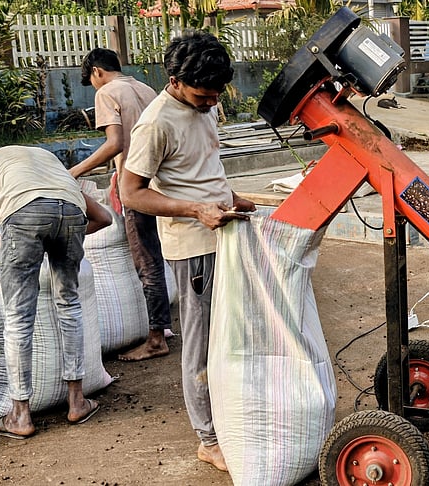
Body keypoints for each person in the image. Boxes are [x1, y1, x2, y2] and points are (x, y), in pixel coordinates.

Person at [119, 30, 256, 472]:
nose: (211, 102)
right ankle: (208, 438)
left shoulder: (205, 106)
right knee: (200, 343)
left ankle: (231, 417)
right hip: (194, 248)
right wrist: (195, 209)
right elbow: (131, 194)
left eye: (216, 95)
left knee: (232, 334)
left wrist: (231, 198)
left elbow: (200, 168)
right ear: (174, 80)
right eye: (203, 95)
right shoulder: (156, 123)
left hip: (224, 233)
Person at [0, 145, 113, 439]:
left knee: (18, 317)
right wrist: (61, 238)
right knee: (69, 305)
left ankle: (19, 415)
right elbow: (104, 218)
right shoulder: (49, 164)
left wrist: (11, 245)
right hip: (71, 211)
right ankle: (77, 402)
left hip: (24, 214)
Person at [75, 47, 174, 362]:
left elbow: (115, 143)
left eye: (92, 80)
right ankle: (164, 325)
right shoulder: (145, 88)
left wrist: (74, 172)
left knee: (146, 259)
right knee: (160, 253)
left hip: (136, 186)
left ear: (96, 72)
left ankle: (156, 338)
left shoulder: (107, 92)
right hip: (161, 182)